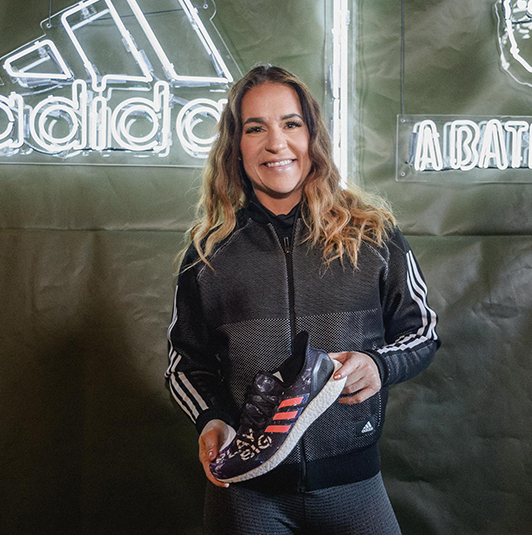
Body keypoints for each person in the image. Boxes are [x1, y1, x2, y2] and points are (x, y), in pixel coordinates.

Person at [166, 65, 439, 535]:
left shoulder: (372, 234)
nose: (276, 143)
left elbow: (423, 332)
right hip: (247, 495)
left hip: (353, 487)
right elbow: (184, 364)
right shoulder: (210, 251)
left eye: (291, 124)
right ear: (236, 147)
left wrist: (378, 364)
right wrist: (210, 418)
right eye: (256, 128)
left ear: (312, 136)